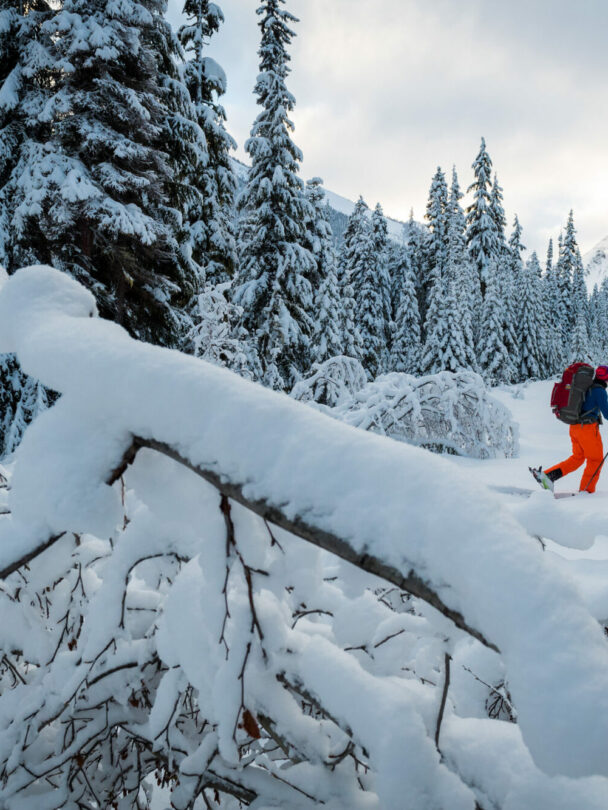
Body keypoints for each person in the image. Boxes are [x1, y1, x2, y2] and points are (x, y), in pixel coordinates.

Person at [533, 365, 608, 493]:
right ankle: (586, 491)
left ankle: (548, 476)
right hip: (588, 429)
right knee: (595, 460)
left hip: (575, 427)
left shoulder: (586, 387)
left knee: (577, 458)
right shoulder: (599, 391)